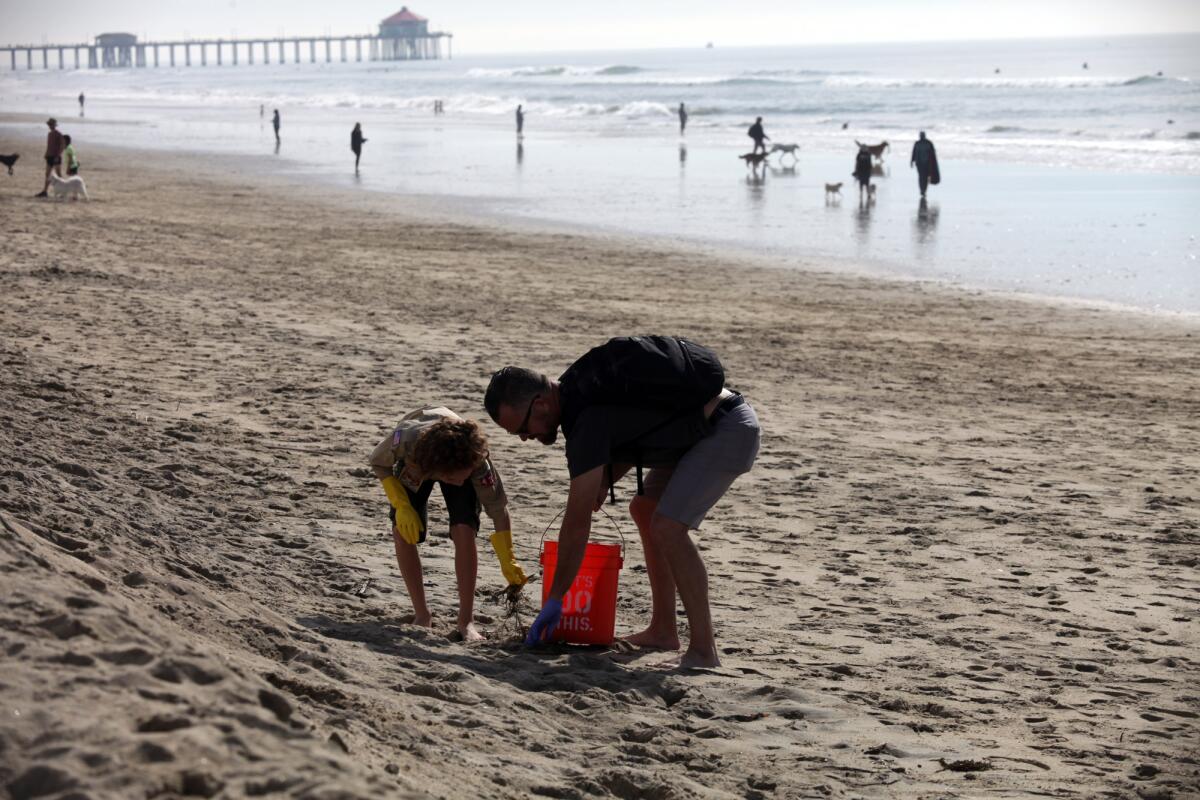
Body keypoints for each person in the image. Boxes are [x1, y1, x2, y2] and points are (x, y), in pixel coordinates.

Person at [485, 336, 761, 668]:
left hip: (725, 429)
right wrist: (605, 479)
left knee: (669, 527)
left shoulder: (584, 415)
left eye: (521, 429)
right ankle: (663, 631)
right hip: (699, 430)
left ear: (541, 404)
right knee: (644, 509)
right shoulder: (581, 387)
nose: (526, 438)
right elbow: (636, 426)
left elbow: (576, 523)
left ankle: (703, 651)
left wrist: (556, 599)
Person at [369, 407, 529, 642]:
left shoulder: (476, 463)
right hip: (421, 461)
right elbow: (377, 462)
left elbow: (498, 510)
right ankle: (422, 615)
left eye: (463, 477)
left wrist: (508, 557)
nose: (458, 483)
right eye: (453, 479)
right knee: (403, 531)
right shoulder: (405, 441)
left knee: (464, 530)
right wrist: (400, 503)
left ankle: (466, 622)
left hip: (456, 458)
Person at [35, 118, 65, 198]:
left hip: (56, 157)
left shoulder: (59, 134)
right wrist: (46, 154)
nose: (50, 126)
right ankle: (45, 191)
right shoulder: (49, 134)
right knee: (47, 174)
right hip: (49, 156)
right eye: (49, 124)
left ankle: (63, 192)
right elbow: (49, 146)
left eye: (51, 124)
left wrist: (58, 155)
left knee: (59, 175)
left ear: (54, 125)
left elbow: (62, 146)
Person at [910, 131, 939, 199]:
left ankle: (923, 190)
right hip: (920, 164)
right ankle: (922, 190)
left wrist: (911, 161)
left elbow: (932, 154)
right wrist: (911, 161)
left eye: (922, 135)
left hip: (926, 164)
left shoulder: (927, 143)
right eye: (921, 135)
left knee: (923, 177)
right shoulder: (920, 143)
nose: (921, 136)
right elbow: (914, 153)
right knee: (922, 177)